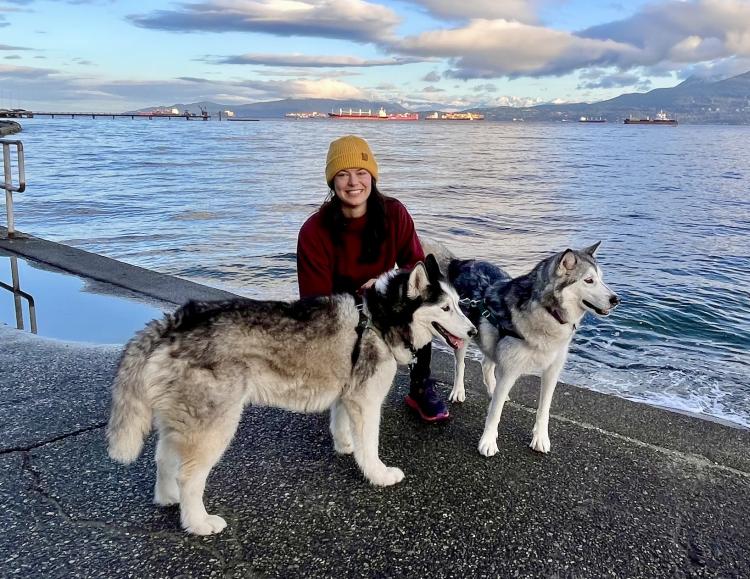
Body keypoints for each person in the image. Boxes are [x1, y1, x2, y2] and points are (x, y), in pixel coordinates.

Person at [296, 134, 449, 422]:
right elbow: (313, 301)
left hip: (386, 299)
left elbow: (415, 264)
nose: (353, 183)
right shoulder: (314, 230)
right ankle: (344, 384)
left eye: (361, 173)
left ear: (372, 177)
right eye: (343, 174)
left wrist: (383, 282)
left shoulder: (394, 213)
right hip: (341, 309)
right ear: (332, 182)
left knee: (422, 305)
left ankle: (419, 386)